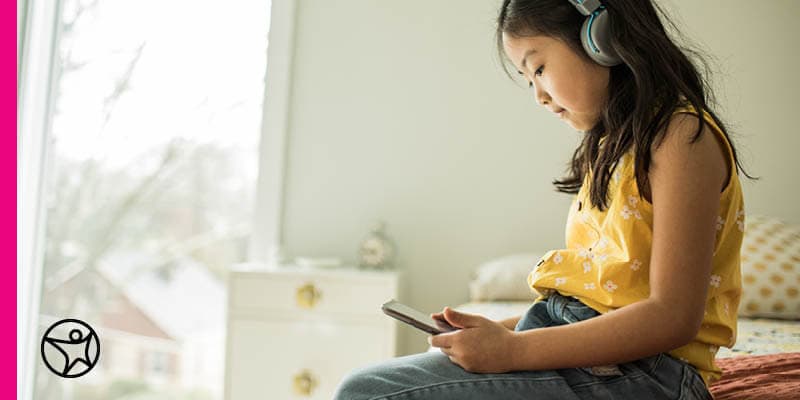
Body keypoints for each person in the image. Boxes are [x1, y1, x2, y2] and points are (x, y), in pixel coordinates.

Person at [334, 0, 752, 398]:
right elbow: (597, 304)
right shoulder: (615, 148)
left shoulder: (681, 138)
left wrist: (513, 350)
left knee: (366, 392)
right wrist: (498, 333)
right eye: (528, 79)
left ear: (601, 39)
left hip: (649, 375)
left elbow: (672, 317)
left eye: (539, 67)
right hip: (607, 361)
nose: (538, 94)